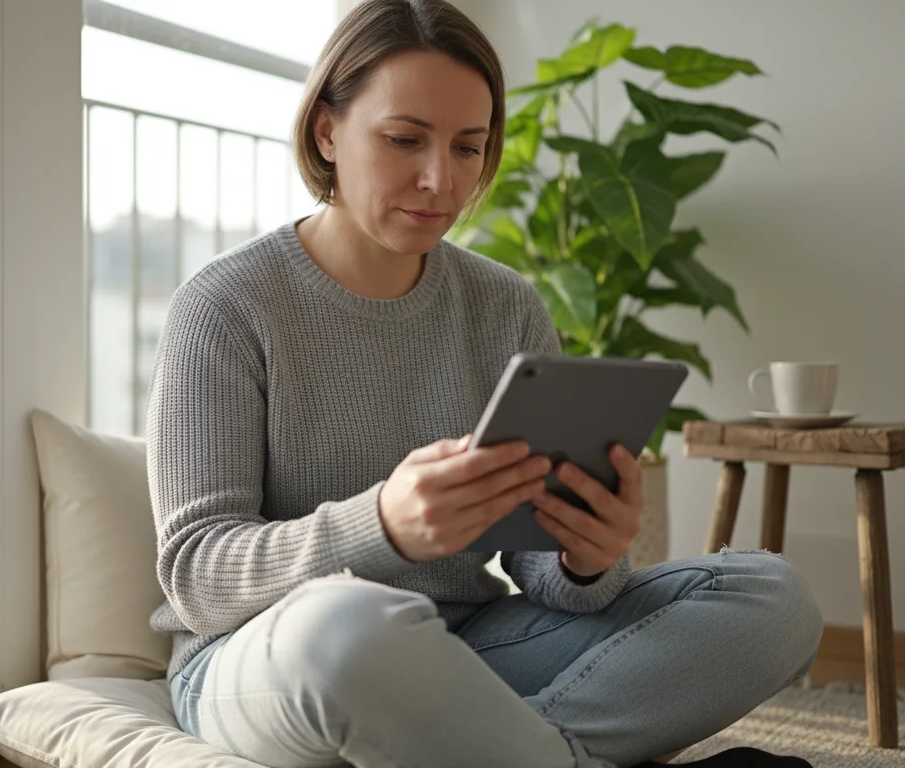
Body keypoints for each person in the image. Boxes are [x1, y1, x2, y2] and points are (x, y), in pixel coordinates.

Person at [147, 1, 823, 766]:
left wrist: (583, 555)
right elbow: (197, 575)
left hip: (467, 646)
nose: (442, 180)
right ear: (327, 131)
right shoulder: (227, 306)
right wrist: (383, 526)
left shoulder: (504, 305)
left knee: (771, 599)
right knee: (347, 625)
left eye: (469, 148)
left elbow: (539, 570)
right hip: (273, 661)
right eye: (404, 139)